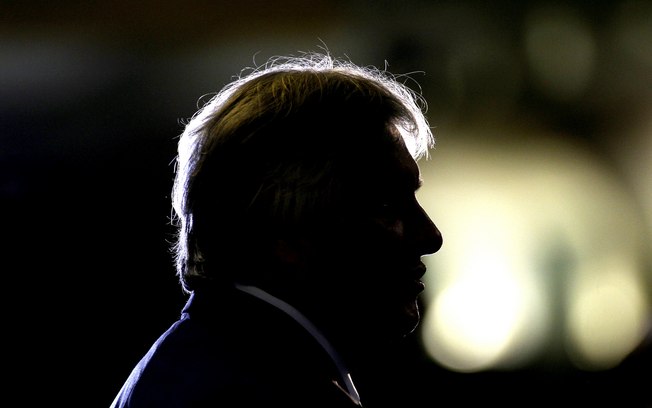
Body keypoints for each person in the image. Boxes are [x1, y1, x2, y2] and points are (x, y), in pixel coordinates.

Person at [110, 51, 443, 408]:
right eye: (385, 207)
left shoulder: (210, 365)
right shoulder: (257, 392)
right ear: (282, 229)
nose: (430, 236)